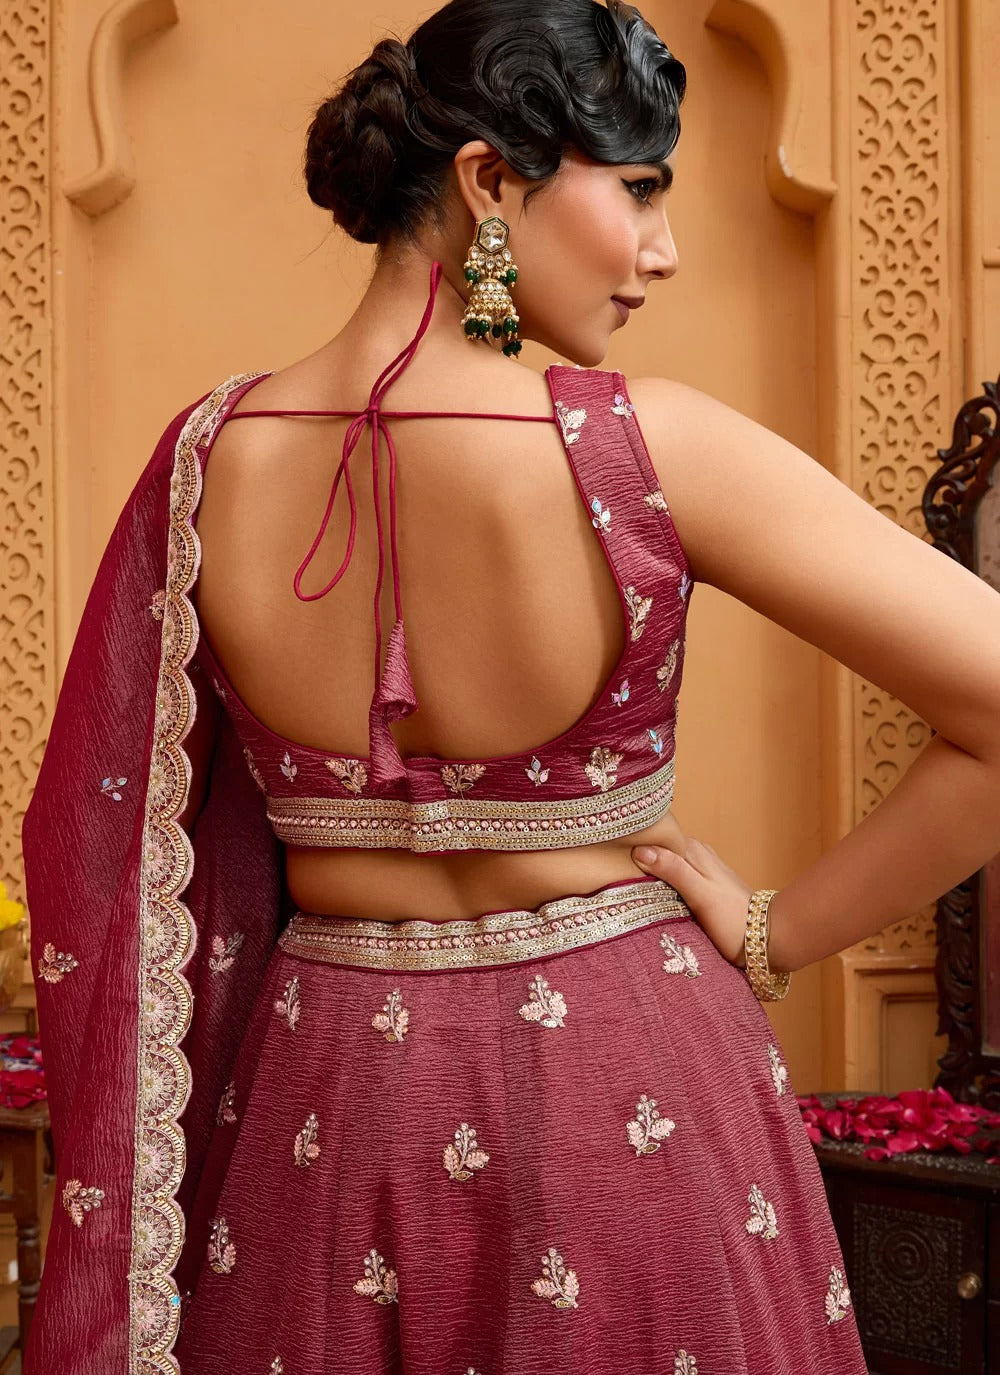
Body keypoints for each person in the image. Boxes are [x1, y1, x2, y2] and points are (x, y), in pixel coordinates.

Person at [20, 0, 1000, 1371]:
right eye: (640, 190)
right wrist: (778, 931)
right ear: (490, 182)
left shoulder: (208, 460)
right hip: (628, 1086)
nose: (662, 253)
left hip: (326, 1096)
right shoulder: (650, 451)